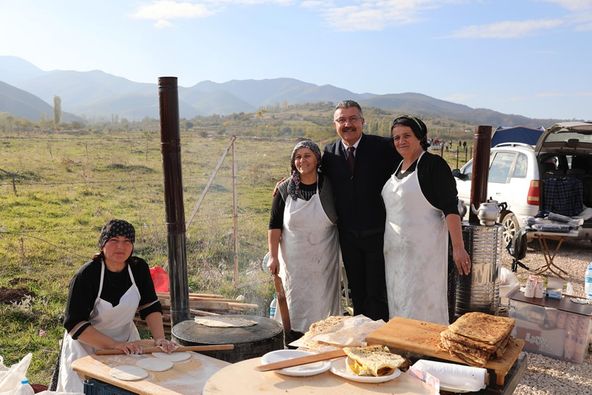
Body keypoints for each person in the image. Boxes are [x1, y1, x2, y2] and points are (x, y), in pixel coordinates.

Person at [57, 219, 176, 392]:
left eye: (127, 241)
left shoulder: (138, 268)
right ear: (102, 244)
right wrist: (112, 345)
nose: (121, 247)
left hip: (127, 342)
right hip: (87, 346)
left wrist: (159, 339)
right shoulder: (87, 275)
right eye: (114, 240)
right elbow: (74, 324)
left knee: (130, 387)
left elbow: (150, 305)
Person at [381, 115, 471, 325]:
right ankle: (403, 353)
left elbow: (450, 208)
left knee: (423, 310)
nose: (401, 141)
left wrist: (458, 247)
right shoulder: (396, 168)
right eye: (396, 138)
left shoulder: (433, 166)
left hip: (424, 259)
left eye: (406, 136)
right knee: (399, 307)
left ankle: (426, 355)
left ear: (420, 137)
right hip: (395, 257)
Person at [322, 100, 401, 321]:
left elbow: (409, 165)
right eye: (342, 120)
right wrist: (287, 183)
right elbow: (311, 174)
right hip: (348, 236)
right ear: (335, 124)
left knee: (377, 292)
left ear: (363, 122)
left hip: (379, 233)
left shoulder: (382, 147)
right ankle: (361, 339)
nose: (348, 124)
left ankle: (380, 341)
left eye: (353, 119)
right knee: (357, 291)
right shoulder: (330, 153)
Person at [268, 140, 341, 338]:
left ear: (317, 159)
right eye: (298, 157)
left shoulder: (329, 186)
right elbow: (274, 226)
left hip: (323, 262)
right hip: (293, 262)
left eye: (307, 155)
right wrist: (273, 256)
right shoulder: (284, 189)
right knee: (294, 305)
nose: (302, 160)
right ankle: (292, 342)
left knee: (322, 308)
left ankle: (322, 344)